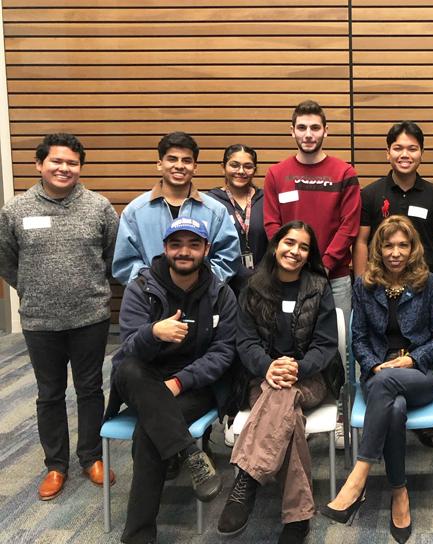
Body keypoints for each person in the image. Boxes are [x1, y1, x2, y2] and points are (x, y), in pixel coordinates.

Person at [0, 133, 118, 500]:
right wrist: (35, 289)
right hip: (39, 320)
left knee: (89, 389)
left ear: (80, 168)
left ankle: (91, 457)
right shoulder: (15, 210)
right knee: (49, 393)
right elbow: (6, 260)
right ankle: (56, 465)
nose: (65, 168)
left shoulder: (99, 207)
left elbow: (113, 258)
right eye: (57, 161)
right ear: (39, 165)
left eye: (72, 163)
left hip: (90, 316)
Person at [107, 217, 238, 544]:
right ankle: (189, 453)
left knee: (148, 433)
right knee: (128, 368)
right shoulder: (141, 288)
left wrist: (180, 382)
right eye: (176, 244)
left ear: (206, 249)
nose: (184, 251)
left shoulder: (221, 293)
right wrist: (153, 332)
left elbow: (224, 353)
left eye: (194, 244)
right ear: (165, 248)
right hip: (144, 377)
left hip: (194, 385)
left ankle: (137, 536)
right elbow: (128, 347)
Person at [320, 216, 433, 544]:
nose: (395, 252)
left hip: (419, 373)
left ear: (413, 248)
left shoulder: (430, 282)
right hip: (378, 375)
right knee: (394, 407)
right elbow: (359, 337)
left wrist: (409, 359)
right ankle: (399, 492)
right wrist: (375, 365)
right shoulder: (365, 284)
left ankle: (357, 477)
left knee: (389, 387)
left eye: (403, 245)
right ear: (378, 248)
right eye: (388, 245)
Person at [217, 220, 343, 544]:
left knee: (283, 395)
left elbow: (326, 345)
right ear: (276, 245)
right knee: (289, 416)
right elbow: (244, 342)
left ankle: (246, 478)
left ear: (309, 254)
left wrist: (296, 368)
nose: (295, 251)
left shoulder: (318, 286)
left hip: (312, 378)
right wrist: (270, 367)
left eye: (303, 247)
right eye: (290, 243)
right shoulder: (253, 285)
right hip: (262, 378)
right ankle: (297, 517)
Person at [262, 99, 361, 322]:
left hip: (334, 279)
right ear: (292, 131)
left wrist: (324, 266)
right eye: (302, 128)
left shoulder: (345, 173)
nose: (308, 134)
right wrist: (290, 262)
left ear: (326, 131)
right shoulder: (276, 174)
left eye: (315, 128)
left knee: (339, 345)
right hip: (287, 277)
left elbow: (349, 226)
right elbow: (271, 225)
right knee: (289, 344)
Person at [112, 131, 240, 285]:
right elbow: (125, 262)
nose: (179, 166)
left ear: (195, 167)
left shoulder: (215, 211)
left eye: (186, 160)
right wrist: (152, 286)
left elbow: (228, 258)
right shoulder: (135, 211)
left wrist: (199, 284)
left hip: (202, 300)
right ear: (160, 164)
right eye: (172, 159)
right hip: (151, 302)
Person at [353, 121, 433, 302]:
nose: (405, 155)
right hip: (378, 286)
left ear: (421, 153)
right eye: (398, 148)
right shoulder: (369, 194)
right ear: (388, 153)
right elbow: (360, 242)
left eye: (412, 149)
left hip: (424, 285)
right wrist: (361, 288)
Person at [207, 144, 268, 297]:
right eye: (234, 165)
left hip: (265, 283)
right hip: (225, 284)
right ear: (223, 167)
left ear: (255, 170)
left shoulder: (267, 199)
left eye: (248, 166)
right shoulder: (210, 202)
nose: (241, 171)